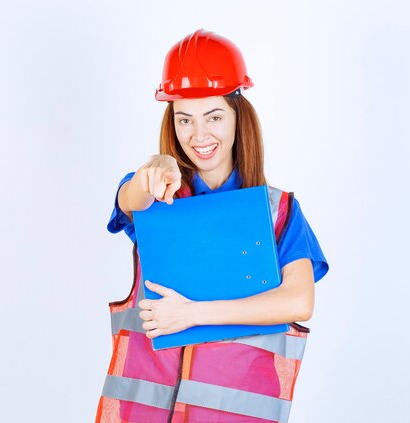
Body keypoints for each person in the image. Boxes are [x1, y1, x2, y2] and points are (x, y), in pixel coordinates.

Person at [95, 29, 329, 423]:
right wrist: (151, 170)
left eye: (214, 116)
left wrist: (193, 314)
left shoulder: (277, 211)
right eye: (184, 119)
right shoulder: (157, 198)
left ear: (240, 118)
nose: (198, 135)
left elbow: (299, 301)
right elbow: (128, 199)